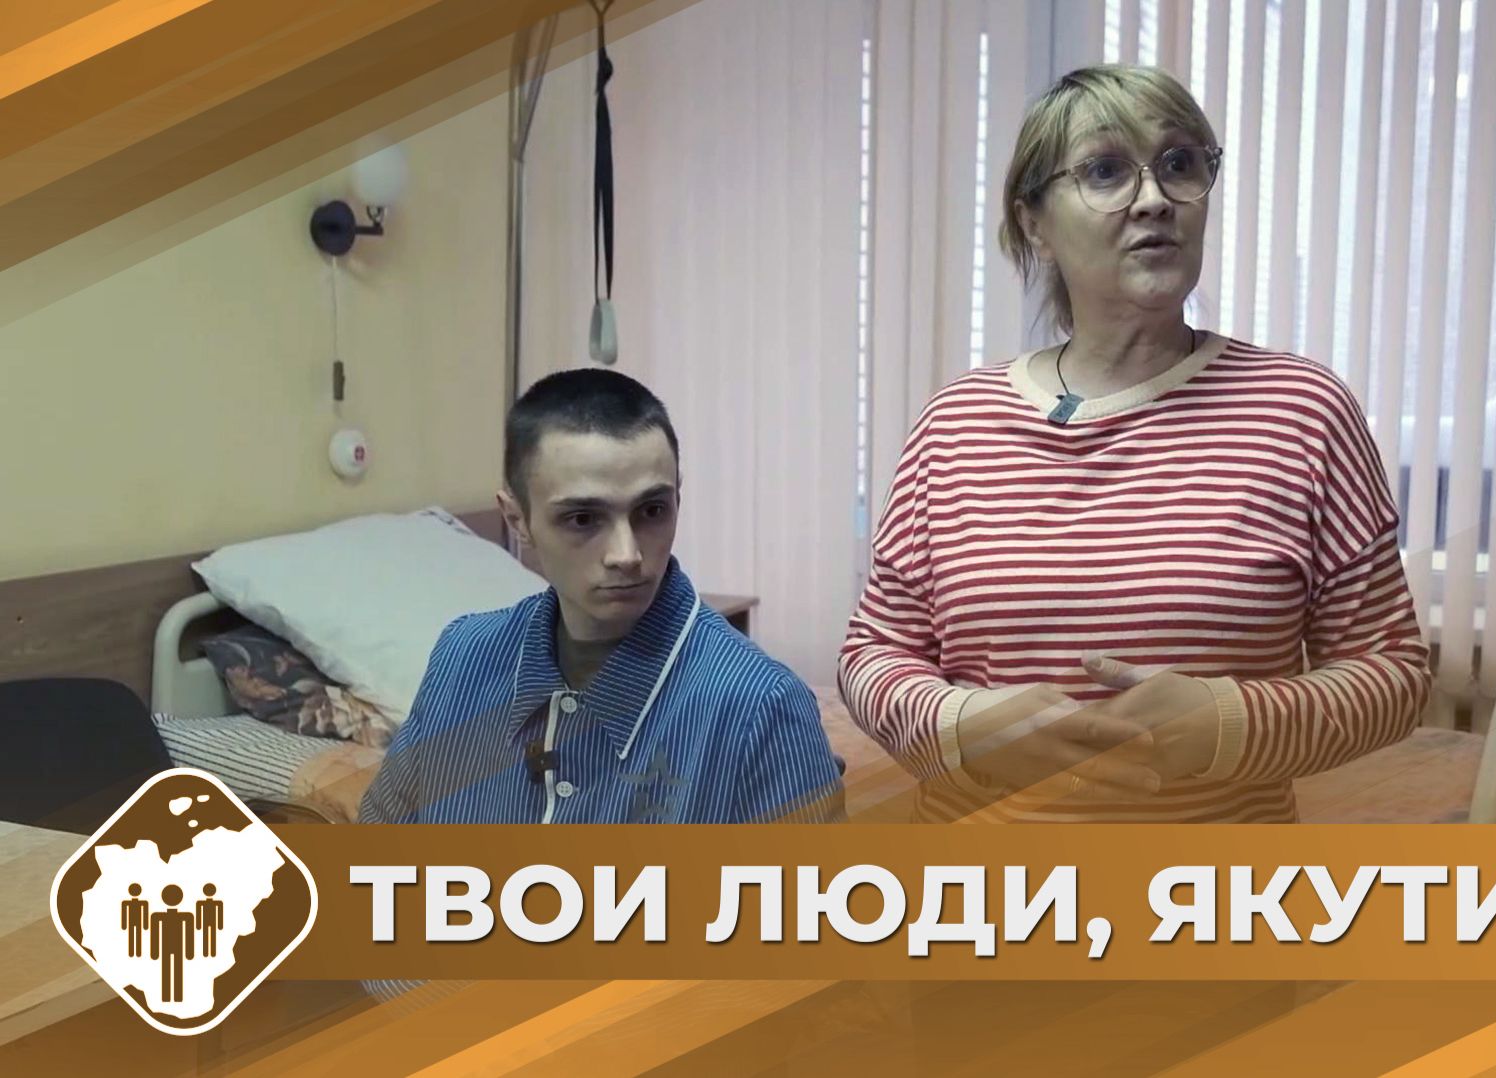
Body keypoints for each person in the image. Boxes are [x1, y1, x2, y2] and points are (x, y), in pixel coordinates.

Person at [839, 64, 1431, 823]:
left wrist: (1233, 723)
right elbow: (874, 653)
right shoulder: (956, 422)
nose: (1154, 198)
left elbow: (1394, 673)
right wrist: (959, 727)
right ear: (1033, 223)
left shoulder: (1302, 412)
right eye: (1105, 171)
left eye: (1179, 163)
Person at [361, 368, 844, 826]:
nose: (626, 555)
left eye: (651, 511)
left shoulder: (760, 707)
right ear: (517, 520)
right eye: (582, 519)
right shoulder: (464, 658)